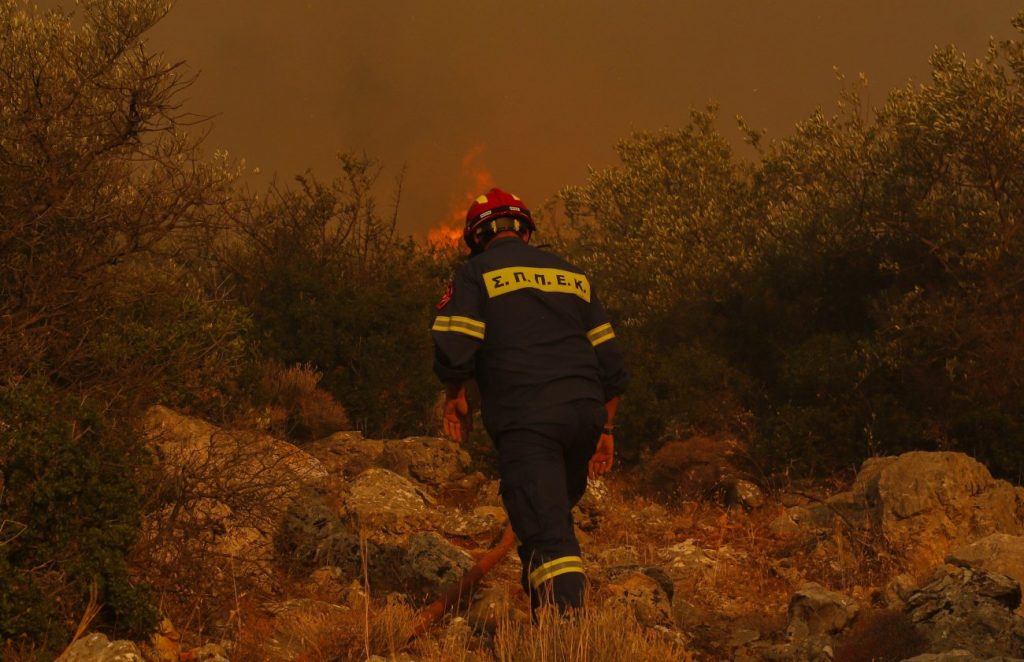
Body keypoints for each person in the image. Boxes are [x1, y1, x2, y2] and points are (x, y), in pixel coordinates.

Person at [431, 187, 627, 614]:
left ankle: (565, 637)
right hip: (584, 415)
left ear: (476, 238)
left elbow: (454, 344)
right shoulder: (573, 275)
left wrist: (455, 396)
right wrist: (606, 428)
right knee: (544, 518)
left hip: (528, 418)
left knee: (547, 531)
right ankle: (546, 617)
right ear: (525, 231)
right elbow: (611, 361)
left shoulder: (475, 274)